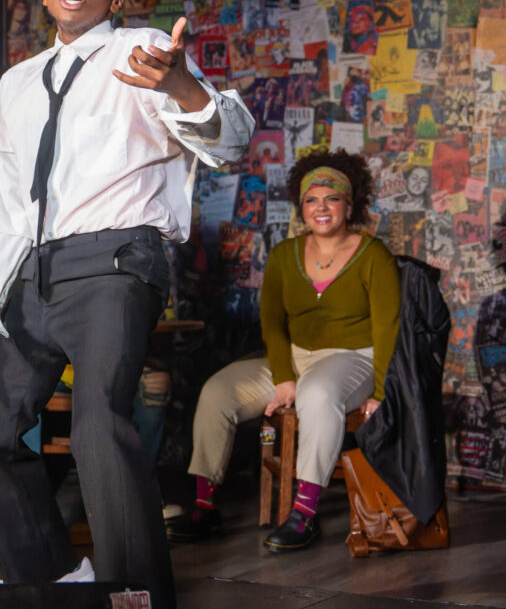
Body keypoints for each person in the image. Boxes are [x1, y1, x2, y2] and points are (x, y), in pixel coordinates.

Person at [0, 0, 253, 609]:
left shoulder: (148, 49)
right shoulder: (16, 84)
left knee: (98, 425)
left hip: (120, 260)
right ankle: (56, 586)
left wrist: (185, 86)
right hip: (34, 271)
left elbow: (230, 142)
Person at [167, 149, 399, 551]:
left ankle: (304, 514)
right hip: (293, 359)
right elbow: (272, 325)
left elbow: (388, 328)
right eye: (312, 199)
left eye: (331, 198)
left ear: (349, 203)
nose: (321, 208)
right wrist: (284, 378)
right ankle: (206, 506)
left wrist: (381, 391)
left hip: (352, 359)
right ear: (301, 206)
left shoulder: (373, 255)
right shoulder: (283, 255)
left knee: (319, 393)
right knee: (217, 392)